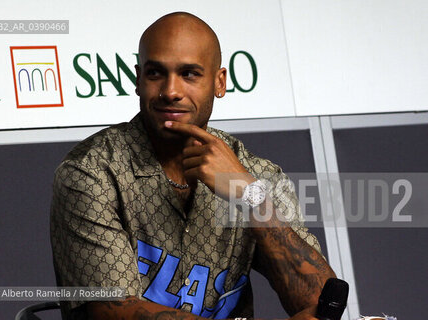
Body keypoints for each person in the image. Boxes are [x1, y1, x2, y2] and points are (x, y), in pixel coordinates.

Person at [50, 12, 336, 320]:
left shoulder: (255, 174)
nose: (171, 91)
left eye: (189, 74)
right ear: (138, 80)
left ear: (219, 82)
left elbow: (323, 301)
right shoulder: (91, 173)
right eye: (156, 73)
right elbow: (112, 311)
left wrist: (251, 197)